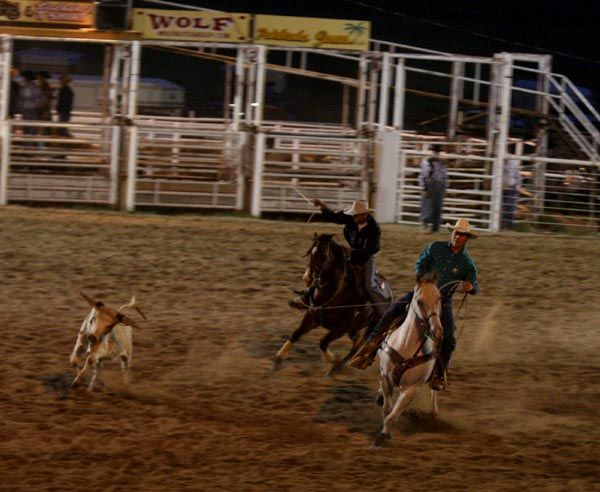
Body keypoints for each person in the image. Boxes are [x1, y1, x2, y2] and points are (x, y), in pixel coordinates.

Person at [350, 218, 479, 391]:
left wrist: (470, 287)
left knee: (448, 338)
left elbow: (474, 285)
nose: (458, 236)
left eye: (462, 235)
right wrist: (423, 279)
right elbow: (419, 264)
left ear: (466, 238)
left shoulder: (467, 263)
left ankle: (439, 373)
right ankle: (368, 350)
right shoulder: (435, 247)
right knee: (392, 312)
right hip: (422, 293)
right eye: (456, 232)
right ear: (452, 233)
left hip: (442, 302)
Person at [289, 199, 389, 322]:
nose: (353, 216)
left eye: (356, 215)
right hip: (351, 251)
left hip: (366, 256)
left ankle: (383, 313)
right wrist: (323, 207)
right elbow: (334, 217)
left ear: (364, 215)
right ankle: (307, 296)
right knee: (325, 268)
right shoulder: (350, 218)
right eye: (353, 214)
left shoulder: (374, 229)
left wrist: (350, 254)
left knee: (369, 285)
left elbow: (368, 251)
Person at [419, 144, 448, 233]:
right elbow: (423, 176)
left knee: (437, 206)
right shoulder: (426, 162)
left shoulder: (442, 163)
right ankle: (425, 225)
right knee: (427, 205)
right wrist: (424, 188)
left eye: (437, 152)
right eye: (435, 152)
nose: (436, 153)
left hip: (439, 184)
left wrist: (445, 186)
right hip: (430, 184)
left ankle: (435, 227)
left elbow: (445, 175)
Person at [16, 70, 44, 140]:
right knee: (32, 131)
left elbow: (20, 100)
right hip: (34, 111)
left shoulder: (23, 88)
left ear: (26, 78)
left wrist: (19, 109)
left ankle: (27, 145)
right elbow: (41, 100)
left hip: (25, 111)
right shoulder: (37, 88)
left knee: (26, 130)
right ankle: (30, 145)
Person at [501, 158, 522, 230]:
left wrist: (518, 186)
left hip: (511, 188)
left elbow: (518, 176)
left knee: (511, 208)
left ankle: (509, 226)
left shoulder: (513, 162)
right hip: (501, 189)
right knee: (502, 208)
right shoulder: (499, 161)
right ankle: (502, 225)